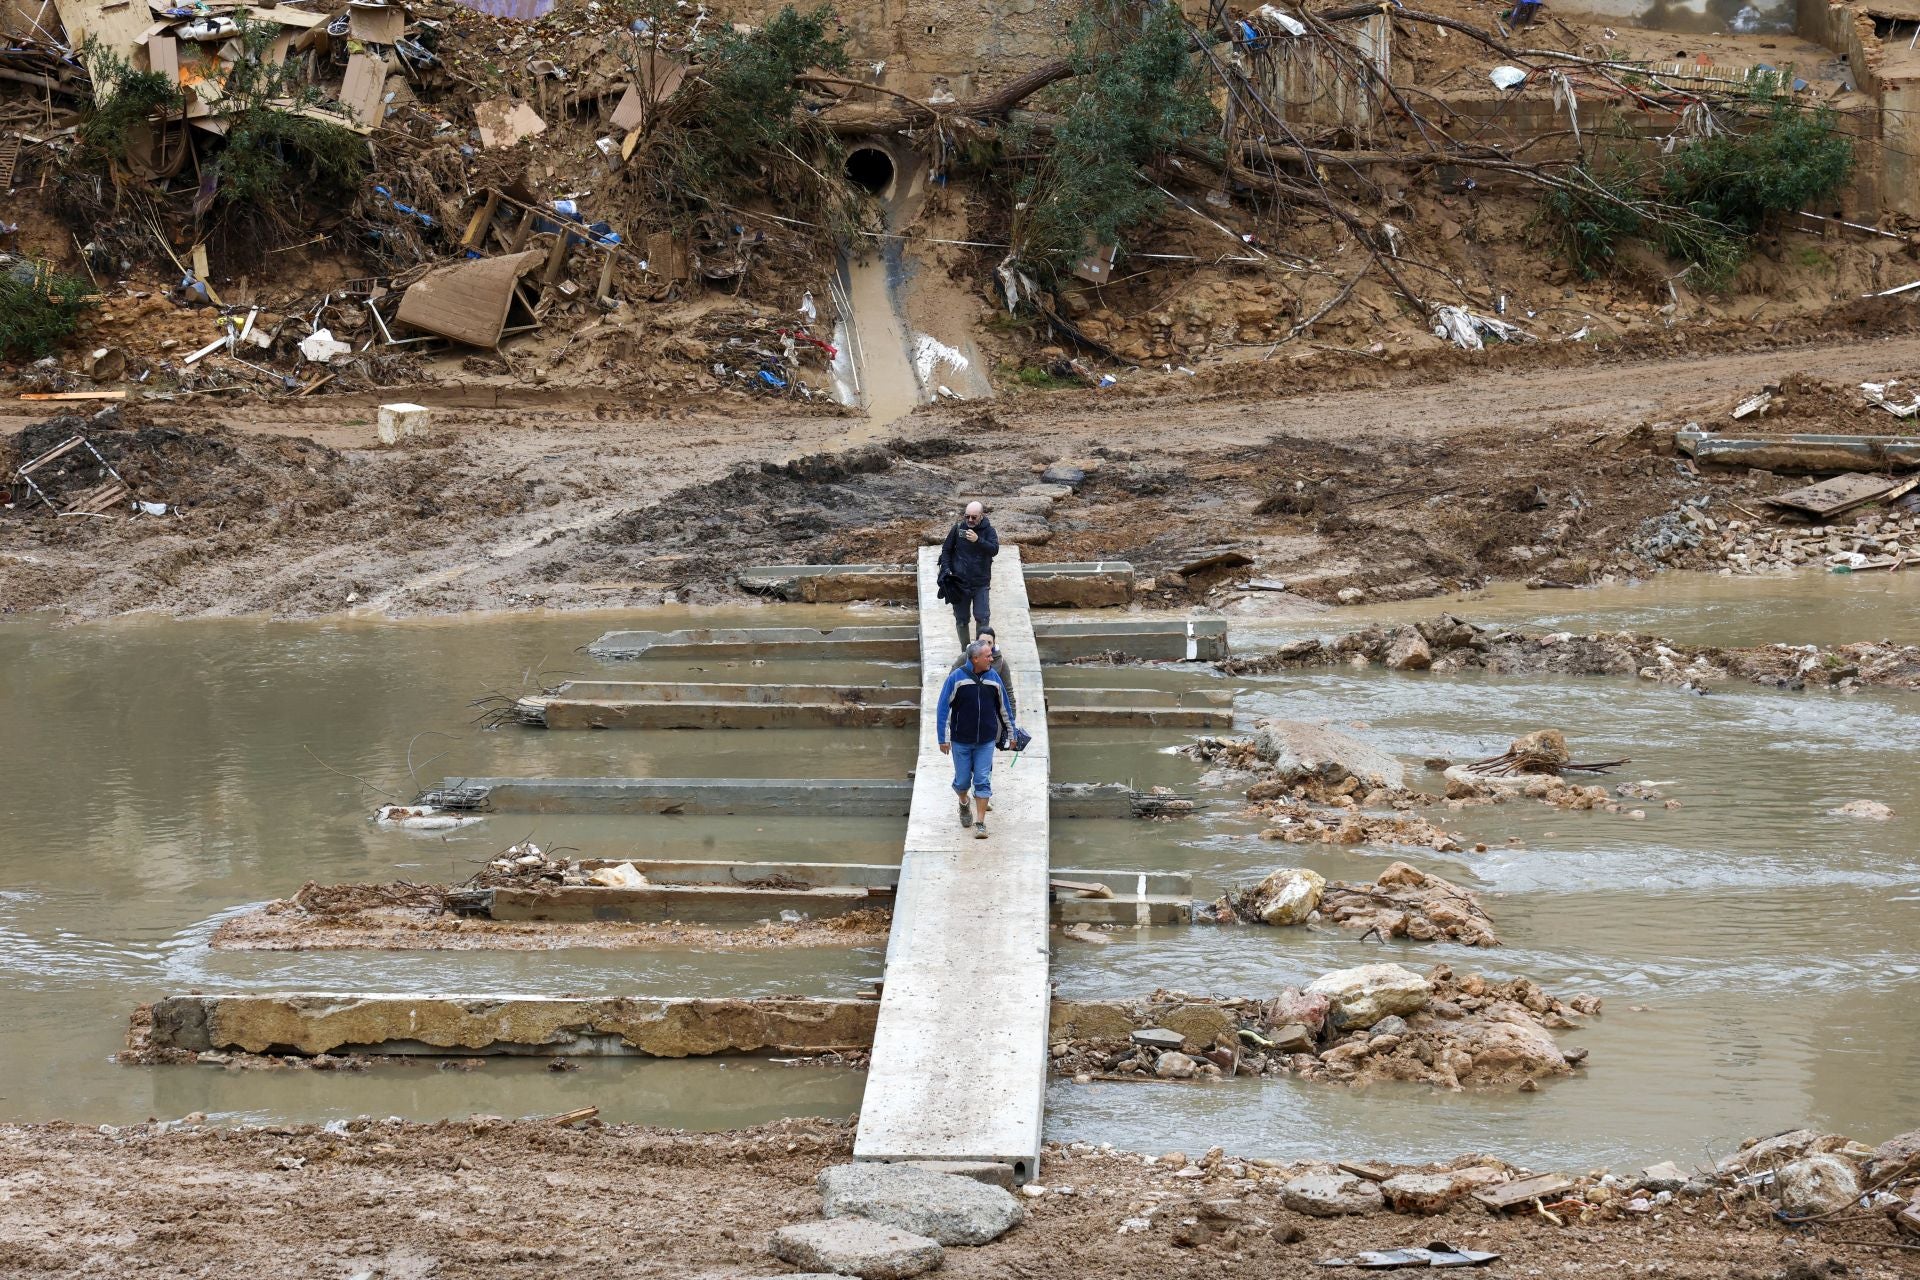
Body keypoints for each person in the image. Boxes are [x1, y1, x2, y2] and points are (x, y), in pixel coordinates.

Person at [937, 638, 1017, 840]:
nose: (992, 658)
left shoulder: (993, 679)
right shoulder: (956, 678)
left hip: (986, 741)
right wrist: (943, 738)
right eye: (987, 656)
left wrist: (1012, 733)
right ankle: (964, 803)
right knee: (963, 781)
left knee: (982, 781)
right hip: (961, 740)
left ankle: (980, 823)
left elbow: (1004, 708)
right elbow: (943, 709)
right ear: (975, 659)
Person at [937, 501, 998, 650]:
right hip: (960, 583)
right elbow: (946, 551)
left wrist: (978, 541)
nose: (970, 520)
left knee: (982, 617)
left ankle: (981, 651)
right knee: (962, 619)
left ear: (981, 516)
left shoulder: (989, 531)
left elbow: (994, 549)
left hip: (981, 583)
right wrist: (946, 570)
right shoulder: (957, 529)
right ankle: (966, 652)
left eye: (974, 517)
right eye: (967, 516)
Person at [948, 625, 1016, 722]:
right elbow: (950, 684)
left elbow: (1008, 694)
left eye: (989, 642)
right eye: (982, 642)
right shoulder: (964, 658)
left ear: (994, 644)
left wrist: (1011, 724)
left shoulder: (1001, 664)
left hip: (991, 718)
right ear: (976, 643)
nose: (986, 645)